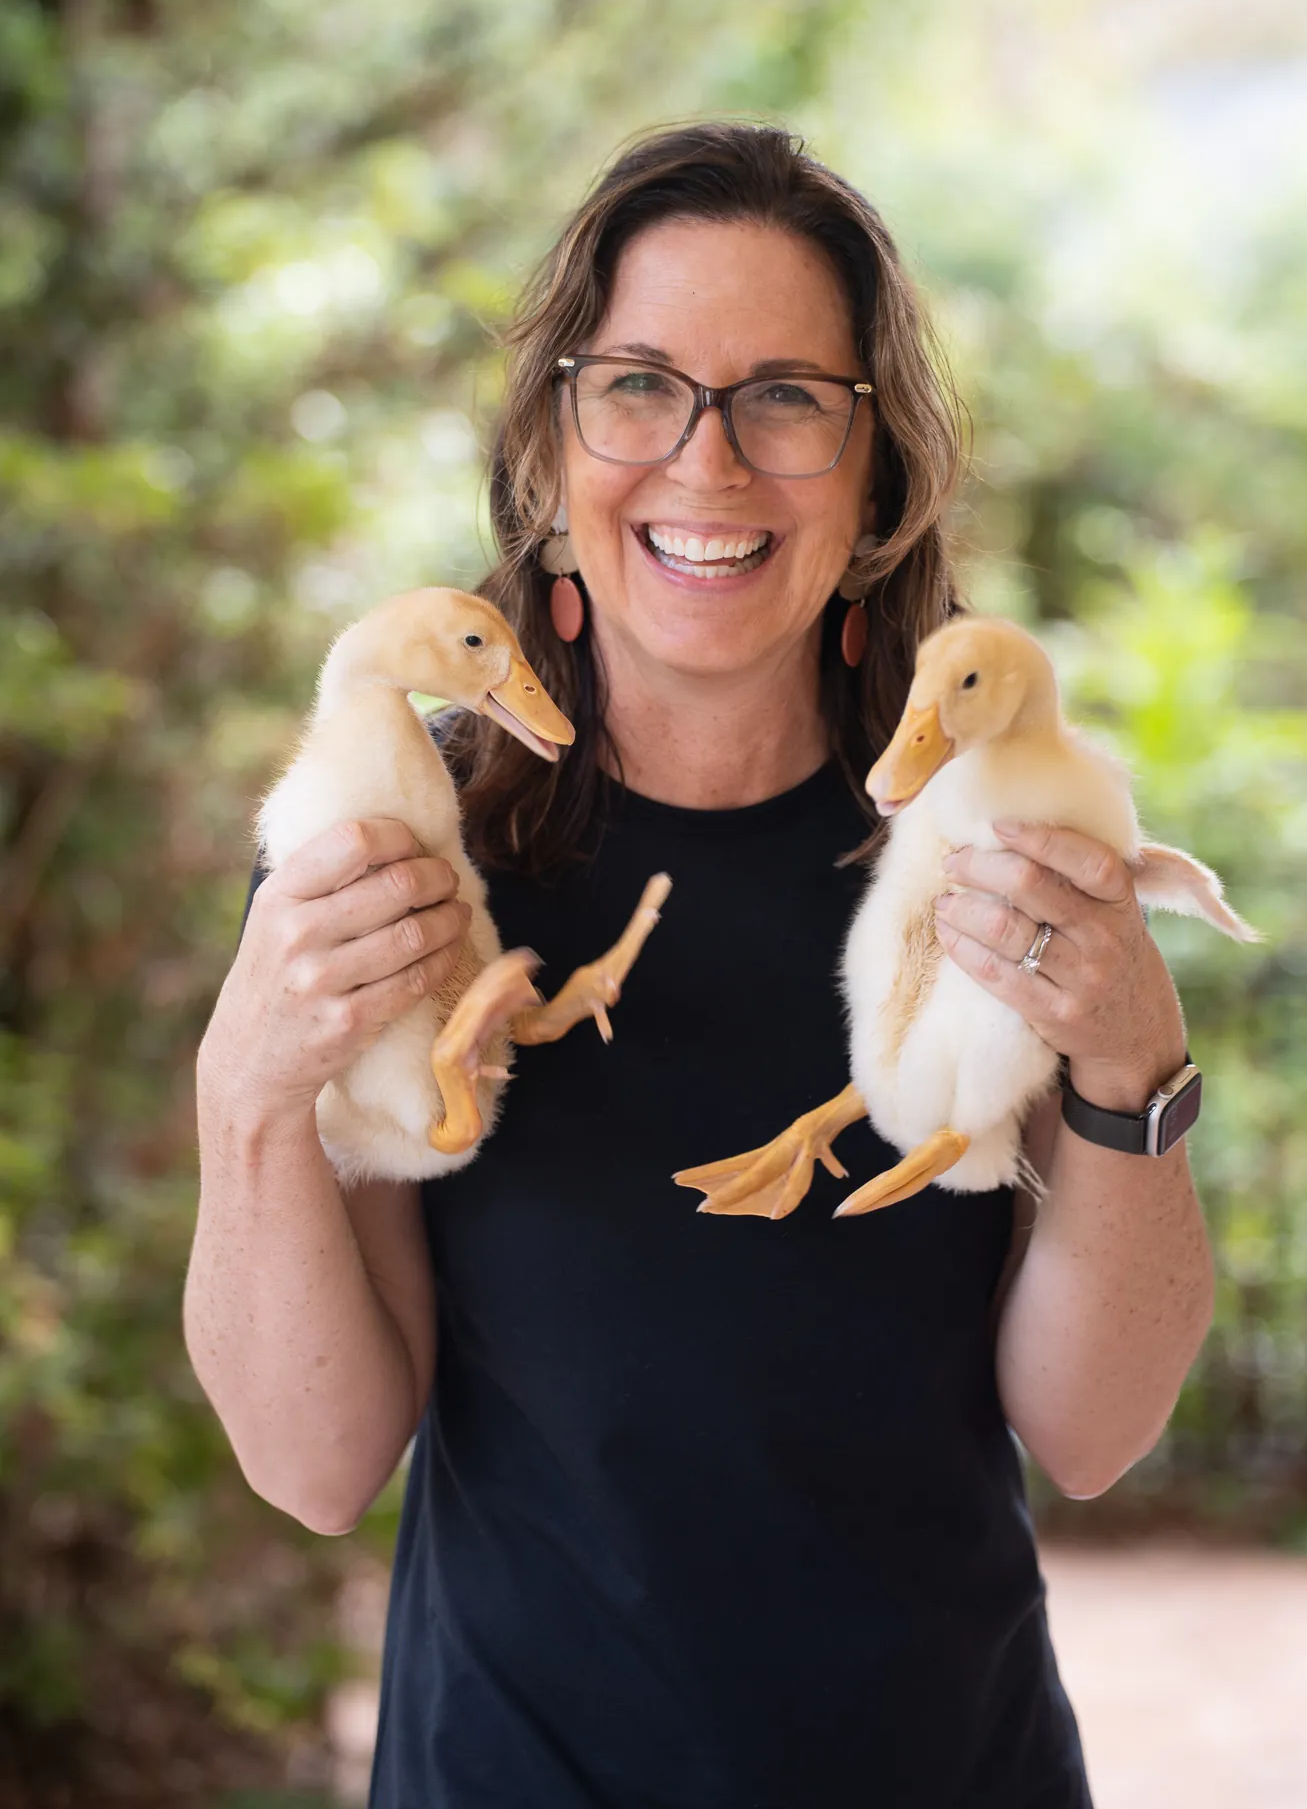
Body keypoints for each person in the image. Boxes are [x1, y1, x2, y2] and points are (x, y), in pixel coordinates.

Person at [186, 123, 1213, 1808]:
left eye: (788, 398)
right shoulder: (397, 860)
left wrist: (1133, 1062)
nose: (706, 462)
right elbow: (315, 1461)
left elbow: (1095, 1433)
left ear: (878, 482)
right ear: (551, 454)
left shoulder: (989, 845)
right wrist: (246, 1095)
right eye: (641, 385)